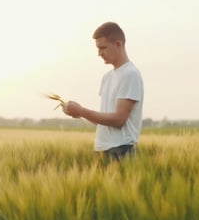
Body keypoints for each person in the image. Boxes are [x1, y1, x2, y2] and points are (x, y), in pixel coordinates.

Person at [62, 22, 144, 161]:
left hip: (120, 151)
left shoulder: (130, 74)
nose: (99, 53)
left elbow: (118, 120)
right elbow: (104, 120)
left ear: (118, 44)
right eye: (98, 48)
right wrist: (78, 113)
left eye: (103, 48)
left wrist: (82, 111)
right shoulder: (107, 77)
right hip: (102, 150)